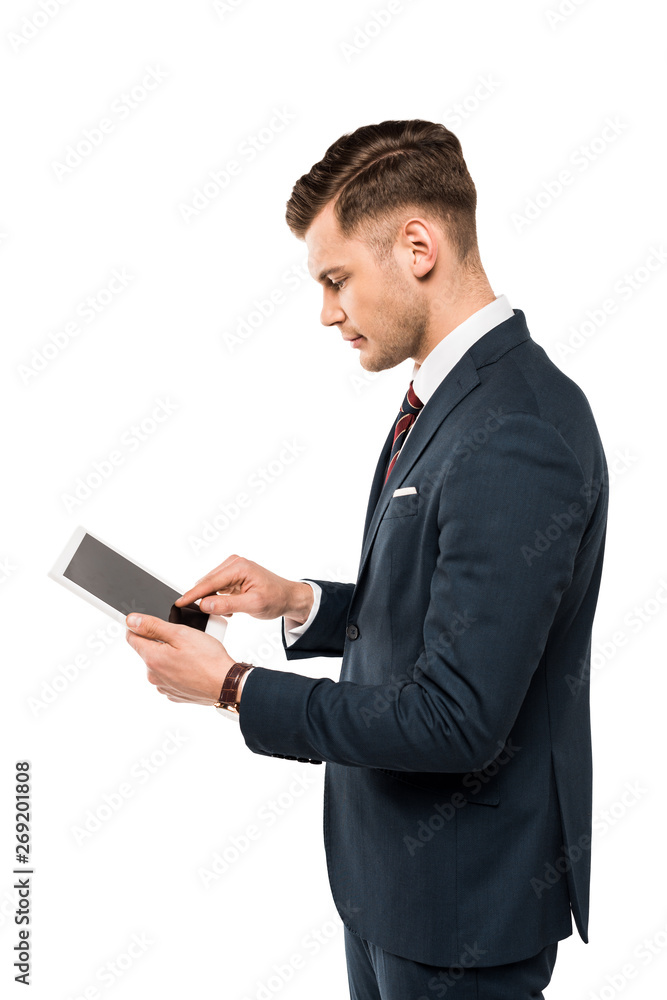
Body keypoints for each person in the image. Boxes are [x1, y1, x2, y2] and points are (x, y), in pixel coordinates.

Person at [125, 119, 609, 999]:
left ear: (416, 245)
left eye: (335, 279)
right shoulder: (455, 398)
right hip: (394, 887)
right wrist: (302, 601)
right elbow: (454, 612)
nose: (326, 312)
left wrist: (233, 688)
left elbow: (457, 718)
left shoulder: (519, 430)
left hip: (460, 914)